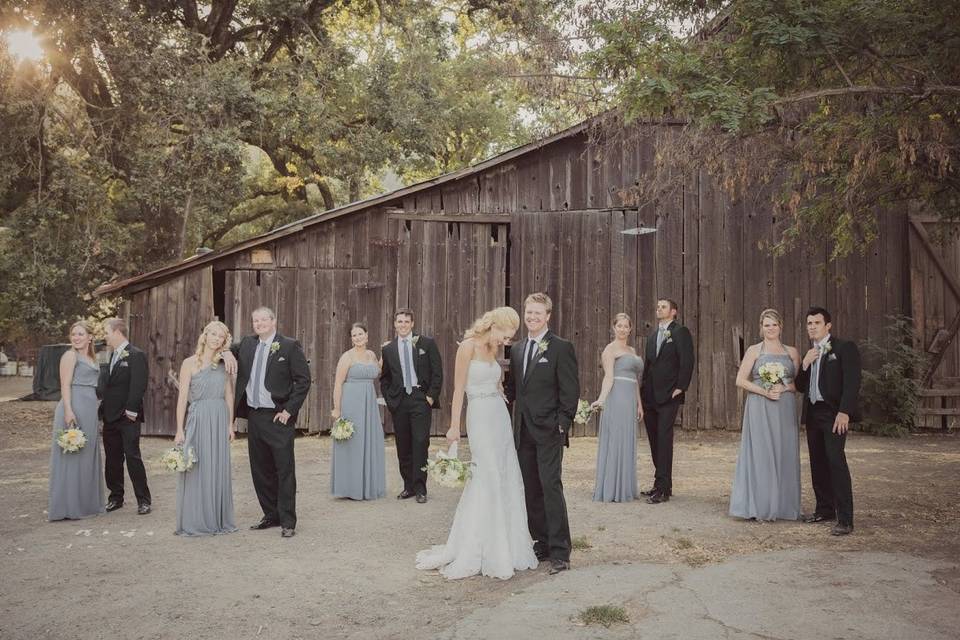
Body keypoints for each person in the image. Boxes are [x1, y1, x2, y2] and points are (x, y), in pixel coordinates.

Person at [416, 307, 538, 579]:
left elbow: (496, 382)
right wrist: (453, 426)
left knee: (505, 473)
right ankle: (479, 544)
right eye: (507, 334)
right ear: (496, 325)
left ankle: (506, 543)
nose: (508, 340)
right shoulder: (467, 347)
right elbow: (459, 389)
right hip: (479, 415)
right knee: (486, 473)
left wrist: (500, 392)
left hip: (498, 416)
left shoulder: (494, 349)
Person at [504, 292, 579, 575]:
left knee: (550, 487)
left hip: (549, 430)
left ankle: (560, 551)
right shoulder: (519, 349)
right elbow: (515, 390)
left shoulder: (561, 347)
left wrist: (562, 423)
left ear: (548, 316)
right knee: (531, 489)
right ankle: (543, 541)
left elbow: (570, 390)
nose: (532, 317)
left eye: (538, 313)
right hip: (523, 430)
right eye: (529, 312)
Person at [222, 307, 311, 538]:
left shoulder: (290, 346)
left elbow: (303, 381)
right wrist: (228, 353)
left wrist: (289, 411)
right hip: (254, 415)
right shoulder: (248, 344)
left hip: (278, 416)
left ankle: (288, 521)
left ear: (273, 321)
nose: (259, 323)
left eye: (263, 319)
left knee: (284, 470)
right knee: (260, 470)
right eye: (255, 320)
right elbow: (227, 347)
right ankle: (271, 515)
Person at [794, 306, 862, 536]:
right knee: (817, 463)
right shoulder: (810, 352)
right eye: (809, 323)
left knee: (836, 462)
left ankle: (845, 519)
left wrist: (845, 412)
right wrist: (804, 364)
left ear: (828, 326)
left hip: (834, 414)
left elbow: (852, 382)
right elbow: (800, 386)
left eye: (816, 323)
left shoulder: (843, 348)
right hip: (813, 413)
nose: (812, 327)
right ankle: (824, 509)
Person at [729, 309, 802, 521]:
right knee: (760, 453)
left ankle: (782, 506)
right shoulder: (754, 350)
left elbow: (798, 384)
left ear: (781, 326)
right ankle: (758, 505)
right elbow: (740, 380)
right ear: (761, 327)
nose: (770, 329)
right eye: (766, 325)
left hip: (784, 407)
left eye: (774, 325)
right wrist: (765, 391)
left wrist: (783, 388)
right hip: (759, 405)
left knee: (783, 451)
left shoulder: (792, 352)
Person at [173, 320, 238, 536]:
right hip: (199, 416)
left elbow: (229, 394)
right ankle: (197, 518)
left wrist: (230, 424)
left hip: (219, 417)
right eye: (213, 334)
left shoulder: (223, 363)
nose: (216, 339)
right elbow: (182, 398)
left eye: (221, 336)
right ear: (205, 335)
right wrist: (179, 429)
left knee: (216, 466)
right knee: (196, 466)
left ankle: (217, 518)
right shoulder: (189, 363)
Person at [380, 309, 442, 504]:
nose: (403, 325)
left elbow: (437, 372)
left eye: (407, 321)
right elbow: (385, 378)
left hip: (420, 398)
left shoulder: (426, 344)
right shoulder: (388, 349)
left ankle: (420, 487)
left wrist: (430, 397)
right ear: (395, 324)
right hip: (399, 401)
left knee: (420, 442)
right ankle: (408, 486)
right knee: (403, 445)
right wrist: (391, 401)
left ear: (413, 323)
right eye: (400, 321)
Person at [48, 321, 105, 521]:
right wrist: (69, 410)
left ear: (90, 337)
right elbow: (65, 385)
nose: (77, 337)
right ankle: (69, 506)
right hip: (74, 406)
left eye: (81, 334)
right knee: (72, 455)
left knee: (86, 454)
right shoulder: (70, 356)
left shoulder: (91, 357)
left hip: (89, 408)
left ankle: (85, 503)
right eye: (74, 334)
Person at [640, 298, 694, 504]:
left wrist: (681, 387)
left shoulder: (680, 332)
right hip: (650, 396)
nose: (659, 309)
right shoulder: (653, 336)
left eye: (663, 306)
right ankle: (661, 484)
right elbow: (649, 365)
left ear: (674, 312)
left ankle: (662, 489)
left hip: (669, 395)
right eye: (657, 306)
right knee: (654, 440)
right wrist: (643, 391)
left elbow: (687, 360)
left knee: (664, 439)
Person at [99, 317, 151, 515]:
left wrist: (131, 411)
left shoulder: (136, 355)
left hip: (128, 417)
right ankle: (116, 497)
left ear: (117, 332)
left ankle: (143, 500)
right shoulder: (110, 356)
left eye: (106, 332)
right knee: (112, 459)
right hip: (110, 416)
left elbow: (139, 385)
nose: (105, 336)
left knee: (132, 457)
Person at [591, 313, 644, 502]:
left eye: (625, 326)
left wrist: (639, 404)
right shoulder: (610, 349)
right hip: (617, 397)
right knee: (616, 438)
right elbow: (608, 377)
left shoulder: (631, 349)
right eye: (619, 326)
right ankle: (612, 488)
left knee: (627, 439)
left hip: (630, 398)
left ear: (630, 329)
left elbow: (635, 380)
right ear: (614, 328)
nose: (622, 329)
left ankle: (626, 486)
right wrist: (602, 399)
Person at [330, 323, 386, 500]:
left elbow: (378, 371)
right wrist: (337, 408)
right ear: (351, 339)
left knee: (369, 441)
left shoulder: (371, 355)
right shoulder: (347, 357)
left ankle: (367, 485)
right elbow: (338, 384)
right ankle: (350, 487)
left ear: (367, 335)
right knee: (352, 443)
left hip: (369, 402)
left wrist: (386, 352)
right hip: (351, 402)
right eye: (354, 335)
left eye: (360, 334)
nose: (358, 338)